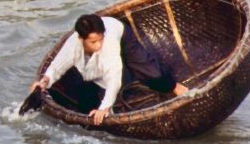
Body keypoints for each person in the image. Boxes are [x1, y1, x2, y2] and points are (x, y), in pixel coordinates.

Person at [31, 13, 188, 125]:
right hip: (98, 64)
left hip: (122, 34)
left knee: (152, 74)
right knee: (89, 102)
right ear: (81, 39)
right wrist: (44, 82)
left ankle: (174, 86)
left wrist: (105, 108)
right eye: (93, 42)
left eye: (101, 39)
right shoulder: (73, 43)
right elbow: (57, 66)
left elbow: (113, 79)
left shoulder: (109, 43)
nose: (99, 45)